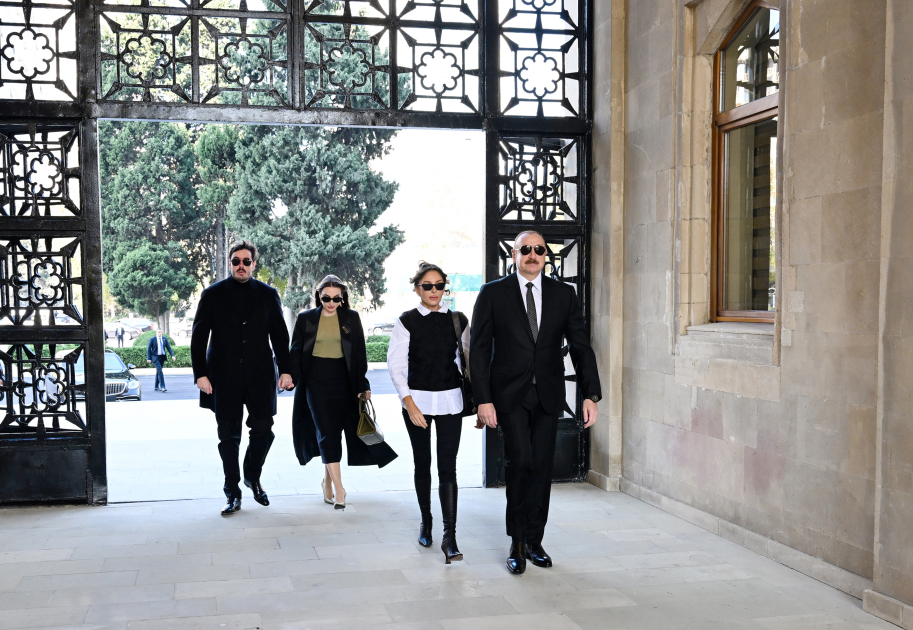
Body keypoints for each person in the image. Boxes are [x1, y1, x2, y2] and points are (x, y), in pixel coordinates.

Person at [470, 230, 602, 574]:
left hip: (547, 393)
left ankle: (534, 540)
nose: (532, 255)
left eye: (539, 250)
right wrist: (483, 400)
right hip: (509, 395)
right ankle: (516, 541)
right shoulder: (493, 293)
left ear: (546, 255)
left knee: (542, 467)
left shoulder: (563, 294)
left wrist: (591, 394)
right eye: (525, 249)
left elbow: (580, 346)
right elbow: (479, 351)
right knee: (522, 462)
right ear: (514, 254)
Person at [191, 239, 293, 516]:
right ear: (230, 263)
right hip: (223, 377)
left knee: (264, 430)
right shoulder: (212, 294)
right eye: (236, 261)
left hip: (260, 376)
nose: (241, 266)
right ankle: (232, 493)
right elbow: (199, 338)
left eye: (246, 261)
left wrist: (286, 369)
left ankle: (252, 475)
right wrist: (200, 374)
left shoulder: (268, 294)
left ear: (253, 264)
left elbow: (280, 336)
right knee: (228, 437)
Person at [289, 274, 397, 510]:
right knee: (326, 432)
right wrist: (290, 376)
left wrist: (363, 385)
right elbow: (296, 351)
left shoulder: (351, 317)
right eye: (326, 298)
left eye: (336, 298)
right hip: (315, 382)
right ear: (319, 296)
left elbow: (358, 354)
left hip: (344, 382)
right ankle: (340, 489)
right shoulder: (306, 318)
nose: (331, 303)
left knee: (335, 432)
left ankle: (327, 481)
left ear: (343, 297)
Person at [387, 262, 471, 564]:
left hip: (450, 401)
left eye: (439, 285)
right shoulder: (406, 321)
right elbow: (396, 366)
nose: (434, 291)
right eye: (427, 286)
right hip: (417, 402)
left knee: (448, 468)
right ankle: (426, 520)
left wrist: (480, 401)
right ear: (417, 289)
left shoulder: (458, 320)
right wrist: (409, 403)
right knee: (422, 463)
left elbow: (468, 361)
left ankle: (450, 536)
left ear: (445, 287)